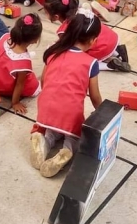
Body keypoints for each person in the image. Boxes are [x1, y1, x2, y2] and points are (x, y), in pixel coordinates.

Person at [31, 9, 103, 178]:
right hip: (69, 113)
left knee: (52, 130)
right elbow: (95, 96)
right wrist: (101, 112)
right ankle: (67, 150)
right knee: (74, 135)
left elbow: (44, 81)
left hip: (45, 108)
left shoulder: (53, 52)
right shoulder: (91, 63)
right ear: (93, 40)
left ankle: (44, 140)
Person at [44, 0, 130, 72]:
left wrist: (53, 47)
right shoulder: (81, 12)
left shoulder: (64, 30)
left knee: (77, 58)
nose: (45, 15)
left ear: (56, 17)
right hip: (112, 38)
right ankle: (118, 52)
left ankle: (109, 66)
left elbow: (67, 46)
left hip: (101, 47)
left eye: (46, 13)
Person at [0, 13, 42, 114]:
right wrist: (15, 103)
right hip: (1, 88)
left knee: (2, 61)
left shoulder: (5, 37)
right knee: (35, 87)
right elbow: (19, 85)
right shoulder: (23, 63)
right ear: (35, 40)